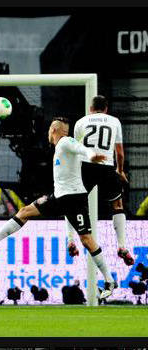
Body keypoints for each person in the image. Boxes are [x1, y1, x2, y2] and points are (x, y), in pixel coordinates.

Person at [0, 117, 117, 299]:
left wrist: (92, 156)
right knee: (24, 212)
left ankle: (109, 280)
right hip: (59, 198)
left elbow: (81, 148)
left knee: (86, 239)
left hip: (73, 199)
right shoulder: (60, 148)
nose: (47, 133)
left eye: (48, 130)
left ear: (53, 130)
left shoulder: (65, 141)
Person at [66, 95, 134, 266]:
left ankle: (71, 240)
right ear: (106, 109)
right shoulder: (114, 121)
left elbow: (75, 150)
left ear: (91, 108)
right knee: (117, 205)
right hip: (106, 167)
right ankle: (121, 246)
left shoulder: (81, 122)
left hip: (86, 167)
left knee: (71, 202)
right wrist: (120, 170)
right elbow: (119, 152)